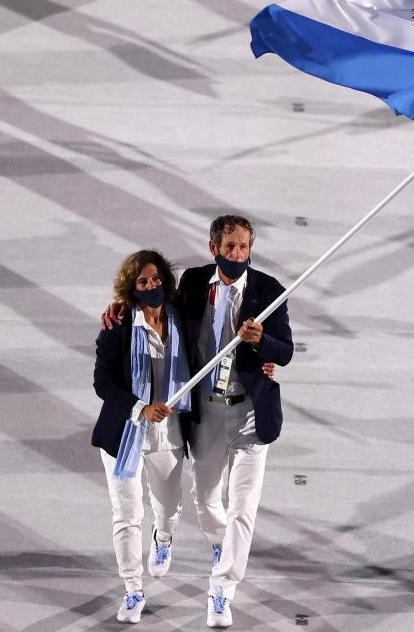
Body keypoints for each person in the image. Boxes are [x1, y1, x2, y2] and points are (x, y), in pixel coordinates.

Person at [104, 215, 293, 628]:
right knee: (207, 502)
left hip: (249, 414)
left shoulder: (269, 291)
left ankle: (222, 590)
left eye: (244, 247)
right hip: (205, 411)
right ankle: (198, 541)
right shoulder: (191, 283)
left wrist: (264, 344)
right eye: (230, 247)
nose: (238, 255)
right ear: (214, 249)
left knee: (243, 508)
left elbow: (286, 351)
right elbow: (157, 309)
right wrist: (122, 305)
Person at [91, 250, 195, 624]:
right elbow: (102, 383)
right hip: (123, 437)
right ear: (131, 290)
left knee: (167, 507)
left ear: (165, 279)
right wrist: (140, 407)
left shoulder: (182, 314)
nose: (151, 286)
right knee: (127, 514)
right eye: (142, 282)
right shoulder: (118, 325)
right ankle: (133, 589)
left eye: (155, 279)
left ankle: (163, 539)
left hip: (168, 434)